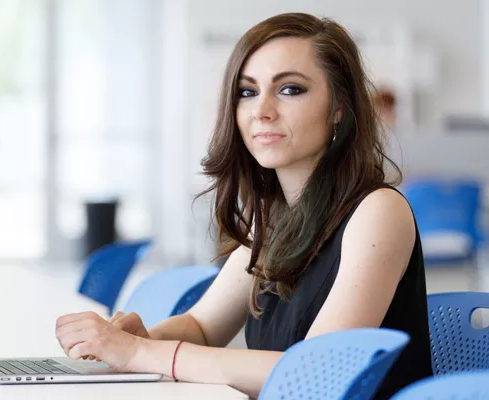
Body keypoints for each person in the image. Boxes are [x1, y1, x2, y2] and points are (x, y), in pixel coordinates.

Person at [55, 12, 433, 399]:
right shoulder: (272, 216)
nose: (261, 111)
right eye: (247, 92)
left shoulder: (378, 212)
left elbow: (318, 372)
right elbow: (203, 327)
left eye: (289, 90)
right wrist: (145, 338)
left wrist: (142, 353)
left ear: (338, 108)